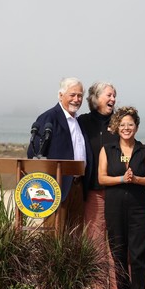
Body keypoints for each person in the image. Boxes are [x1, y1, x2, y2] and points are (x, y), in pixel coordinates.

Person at [98, 106, 145, 289]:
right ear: (116, 127)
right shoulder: (107, 149)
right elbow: (102, 178)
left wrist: (136, 179)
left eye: (130, 124)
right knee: (118, 251)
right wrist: (122, 179)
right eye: (122, 125)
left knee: (138, 251)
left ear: (136, 127)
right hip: (114, 206)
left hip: (138, 206)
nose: (126, 128)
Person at [27, 77, 91, 230]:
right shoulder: (49, 117)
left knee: (75, 238)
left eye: (80, 95)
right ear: (61, 95)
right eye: (72, 95)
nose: (76, 99)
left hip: (77, 185)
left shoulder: (78, 121)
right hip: (56, 187)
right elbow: (33, 153)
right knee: (53, 236)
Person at [77, 81, 119, 289]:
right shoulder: (82, 121)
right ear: (95, 98)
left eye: (114, 96)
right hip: (93, 188)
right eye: (109, 95)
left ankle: (116, 288)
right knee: (95, 240)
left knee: (115, 240)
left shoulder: (119, 122)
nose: (113, 99)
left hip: (116, 189)